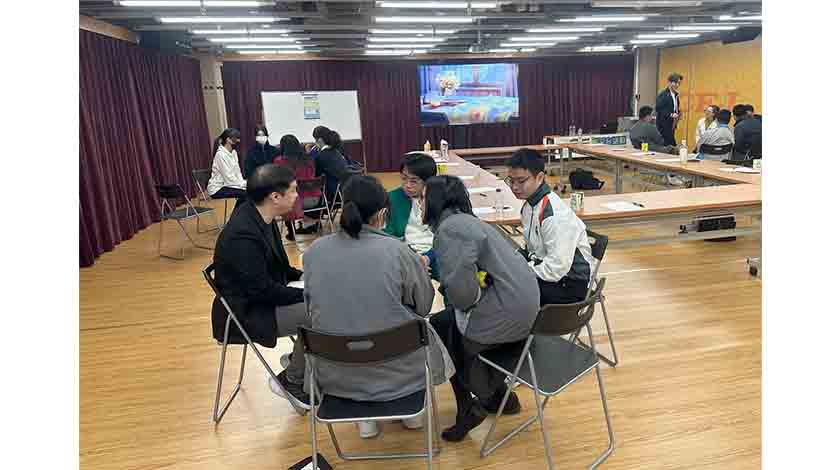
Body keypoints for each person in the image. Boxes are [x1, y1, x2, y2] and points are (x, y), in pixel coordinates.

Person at [303, 175, 454, 439]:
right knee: (418, 328)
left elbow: (311, 307)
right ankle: (410, 414)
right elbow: (423, 305)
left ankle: (365, 419)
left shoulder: (314, 252)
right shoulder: (398, 251)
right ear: (382, 214)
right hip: (400, 370)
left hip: (336, 373)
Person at [426, 175, 540, 442]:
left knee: (440, 327)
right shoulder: (471, 222)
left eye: (423, 198)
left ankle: (470, 405)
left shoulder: (450, 229)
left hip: (506, 316)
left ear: (435, 201)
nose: (420, 204)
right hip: (528, 313)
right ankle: (499, 396)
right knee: (449, 321)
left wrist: (458, 289)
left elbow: (462, 295)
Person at [210, 164, 313, 409]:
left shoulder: (261, 216)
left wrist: (308, 276)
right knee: (320, 311)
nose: (297, 195)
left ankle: (301, 358)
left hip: (261, 299)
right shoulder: (242, 235)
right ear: (275, 197)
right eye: (293, 190)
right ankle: (292, 379)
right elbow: (262, 291)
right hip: (248, 312)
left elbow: (281, 268)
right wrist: (307, 292)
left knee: (320, 302)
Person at [506, 149, 596, 305]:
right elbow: (532, 250)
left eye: (521, 181)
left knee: (506, 290)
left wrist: (518, 271)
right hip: (549, 272)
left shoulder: (554, 215)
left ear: (540, 178)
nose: (514, 187)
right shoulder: (529, 206)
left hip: (571, 284)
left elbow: (555, 269)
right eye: (511, 181)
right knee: (500, 277)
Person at [384, 152, 439, 277]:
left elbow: (448, 237)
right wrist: (411, 256)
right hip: (404, 253)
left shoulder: (439, 198)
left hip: (436, 252)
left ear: (428, 181)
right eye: (404, 179)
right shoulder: (393, 198)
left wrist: (428, 257)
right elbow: (388, 234)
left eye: (414, 181)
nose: (407, 185)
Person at [273, 134, 321, 239]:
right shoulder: (308, 159)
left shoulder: (279, 161)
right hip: (315, 200)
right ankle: (312, 224)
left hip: (295, 203)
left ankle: (291, 231)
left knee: (282, 195)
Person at [207, 128, 247, 200]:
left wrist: (243, 183)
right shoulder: (220, 155)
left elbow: (237, 172)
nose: (239, 141)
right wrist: (243, 185)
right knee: (247, 193)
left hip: (228, 185)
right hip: (218, 189)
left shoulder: (234, 153)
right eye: (236, 138)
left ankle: (239, 207)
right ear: (228, 139)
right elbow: (229, 179)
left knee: (250, 191)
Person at [314, 129, 350, 204]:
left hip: (333, 195)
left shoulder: (320, 156)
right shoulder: (337, 152)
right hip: (347, 191)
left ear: (320, 140)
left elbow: (316, 175)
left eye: (315, 140)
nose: (314, 142)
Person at [655, 72, 683, 147]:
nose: (677, 85)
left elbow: (673, 108)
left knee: (670, 145)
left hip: (671, 124)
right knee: (669, 145)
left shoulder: (675, 95)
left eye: (679, 83)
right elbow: (658, 108)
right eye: (675, 82)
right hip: (663, 125)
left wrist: (678, 113)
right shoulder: (663, 94)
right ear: (669, 82)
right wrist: (671, 114)